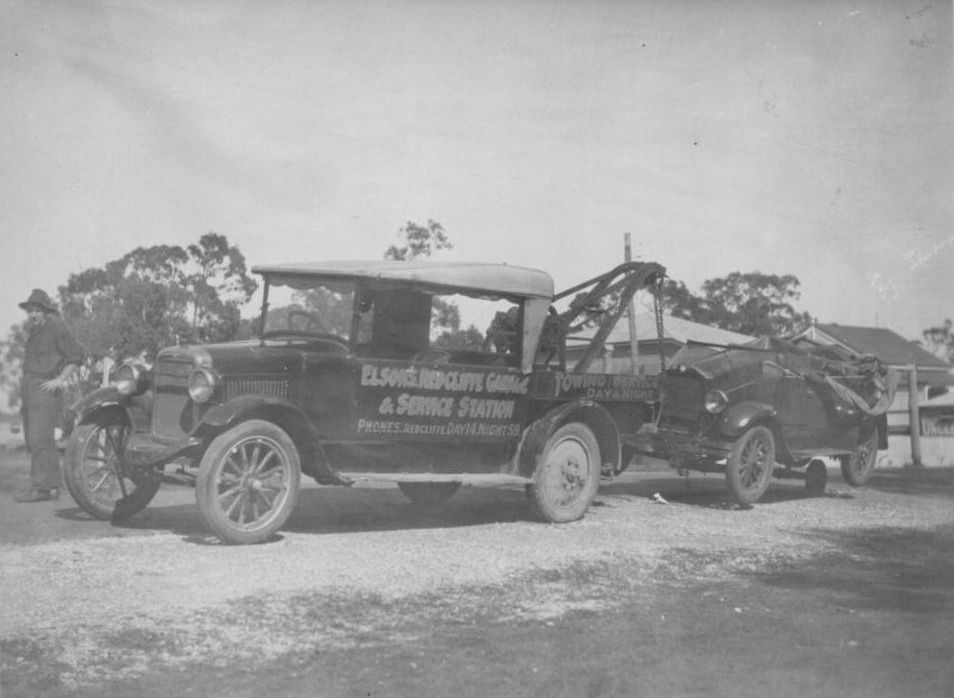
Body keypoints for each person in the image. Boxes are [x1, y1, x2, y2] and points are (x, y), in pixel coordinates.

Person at [14, 289, 85, 503]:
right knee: (37, 438)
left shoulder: (56, 328)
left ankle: (40, 488)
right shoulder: (34, 331)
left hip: (45, 390)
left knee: (38, 439)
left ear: (46, 312)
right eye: (31, 311)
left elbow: (77, 356)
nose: (33, 314)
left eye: (37, 311)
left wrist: (60, 380)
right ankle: (53, 487)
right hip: (30, 389)